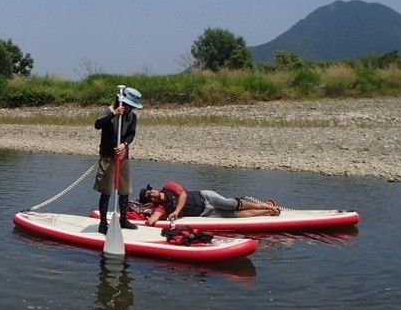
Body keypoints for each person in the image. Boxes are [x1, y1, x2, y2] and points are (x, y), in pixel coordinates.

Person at [94, 87, 143, 235]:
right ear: (121, 101)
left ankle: (123, 219)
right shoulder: (108, 111)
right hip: (108, 157)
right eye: (129, 106)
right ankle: (103, 223)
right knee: (106, 190)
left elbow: (131, 134)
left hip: (123, 157)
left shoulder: (132, 117)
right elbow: (97, 125)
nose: (130, 109)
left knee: (124, 189)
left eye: (133, 107)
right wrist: (113, 114)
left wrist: (124, 145)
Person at [138, 181, 280, 226]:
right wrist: (146, 220)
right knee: (235, 215)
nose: (152, 197)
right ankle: (268, 211)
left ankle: (266, 205)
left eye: (151, 193)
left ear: (153, 190)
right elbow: (152, 220)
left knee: (230, 204)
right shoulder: (160, 207)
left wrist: (176, 212)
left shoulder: (168, 186)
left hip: (205, 197)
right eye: (149, 198)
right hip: (205, 212)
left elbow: (183, 194)